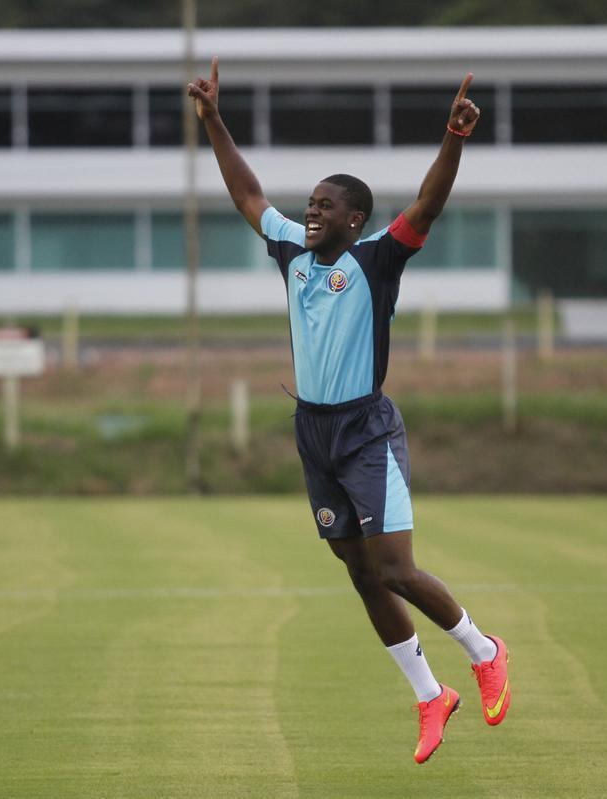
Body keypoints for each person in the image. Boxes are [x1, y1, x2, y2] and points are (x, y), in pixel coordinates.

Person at [189, 58, 510, 765]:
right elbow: (246, 192)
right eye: (308, 203)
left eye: (324, 206)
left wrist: (453, 139)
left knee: (394, 566)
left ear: (354, 219)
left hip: (365, 428)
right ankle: (431, 695)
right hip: (313, 430)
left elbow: (425, 206)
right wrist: (213, 119)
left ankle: (484, 650)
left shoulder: (375, 260)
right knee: (358, 571)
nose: (310, 212)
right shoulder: (290, 255)